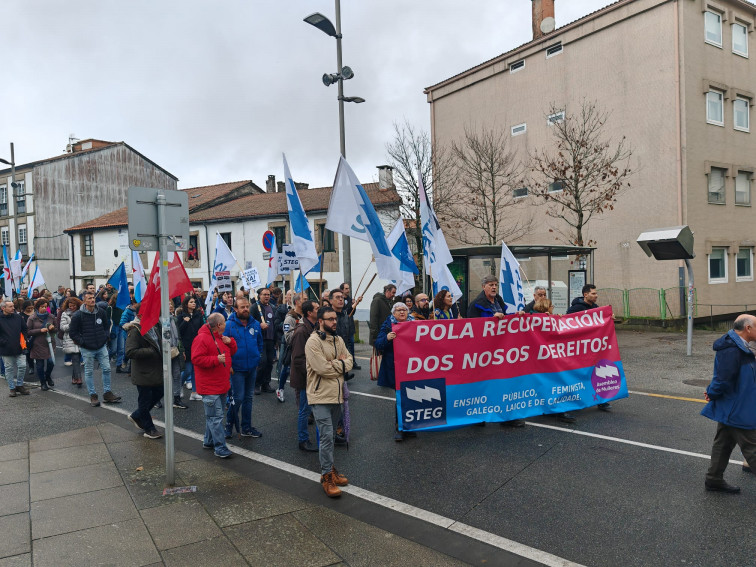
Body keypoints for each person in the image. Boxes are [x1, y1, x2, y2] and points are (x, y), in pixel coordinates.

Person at [701, 314, 756, 494]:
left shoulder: (742, 346)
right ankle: (714, 479)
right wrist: (711, 392)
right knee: (753, 448)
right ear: (748, 329)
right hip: (737, 409)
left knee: (723, 443)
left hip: (734, 406)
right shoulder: (732, 349)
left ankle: (714, 479)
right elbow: (723, 379)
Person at [305, 306, 353, 497]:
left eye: (335, 319)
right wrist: (340, 364)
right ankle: (326, 477)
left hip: (337, 394)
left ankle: (330, 467)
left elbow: (349, 360)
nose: (335, 322)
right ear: (320, 321)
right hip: (320, 396)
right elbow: (322, 369)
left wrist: (339, 364)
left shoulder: (338, 340)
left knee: (331, 436)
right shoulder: (313, 342)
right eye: (330, 319)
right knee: (325, 437)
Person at [467, 275, 524, 427]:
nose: (494, 287)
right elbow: (473, 328)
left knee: (503, 383)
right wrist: (491, 319)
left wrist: (516, 316)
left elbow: (504, 319)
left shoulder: (498, 300)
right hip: (484, 352)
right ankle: (478, 416)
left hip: (500, 350)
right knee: (483, 385)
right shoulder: (476, 305)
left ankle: (506, 417)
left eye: (495, 285)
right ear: (483, 287)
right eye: (491, 285)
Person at [192, 313, 237, 458]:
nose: (226, 324)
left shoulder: (220, 337)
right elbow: (197, 359)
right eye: (224, 322)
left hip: (221, 383)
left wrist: (231, 342)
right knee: (215, 418)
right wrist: (215, 359)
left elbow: (231, 353)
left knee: (213, 417)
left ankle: (209, 441)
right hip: (210, 386)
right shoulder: (201, 338)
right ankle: (220, 447)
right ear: (219, 325)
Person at [69, 291, 122, 407]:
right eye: (89, 298)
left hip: (101, 346)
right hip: (87, 348)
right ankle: (93, 395)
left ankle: (107, 393)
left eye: (93, 298)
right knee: (89, 371)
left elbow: (106, 326)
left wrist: (105, 337)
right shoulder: (78, 315)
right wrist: (83, 342)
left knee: (107, 369)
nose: (92, 300)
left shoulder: (101, 312)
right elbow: (73, 333)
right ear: (84, 301)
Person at [375, 302, 416, 441]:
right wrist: (387, 338)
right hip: (396, 367)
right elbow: (378, 343)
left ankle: (409, 426)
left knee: (411, 397)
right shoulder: (388, 325)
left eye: (404, 310)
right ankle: (400, 427)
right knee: (400, 397)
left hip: (412, 367)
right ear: (393, 313)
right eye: (398, 310)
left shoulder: (415, 324)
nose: (402, 312)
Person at [566, 284, 611, 411]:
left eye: (596, 293)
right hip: (579, 349)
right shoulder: (575, 309)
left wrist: (609, 318)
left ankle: (601, 400)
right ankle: (572, 401)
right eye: (593, 293)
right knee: (577, 375)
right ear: (585, 295)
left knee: (596, 373)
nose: (596, 296)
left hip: (592, 349)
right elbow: (567, 325)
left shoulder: (596, 308)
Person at [224, 296, 264, 439]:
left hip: (252, 367)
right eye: (242, 307)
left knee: (248, 398)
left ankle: (246, 427)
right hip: (236, 369)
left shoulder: (255, 324)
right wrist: (228, 365)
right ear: (235, 309)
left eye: (247, 306)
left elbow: (260, 342)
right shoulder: (228, 325)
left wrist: (258, 355)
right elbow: (224, 347)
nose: (246, 309)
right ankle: (229, 424)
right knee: (238, 398)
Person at [124, 307, 164, 439]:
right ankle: (149, 428)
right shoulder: (135, 330)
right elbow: (130, 352)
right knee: (145, 399)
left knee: (159, 392)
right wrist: (151, 351)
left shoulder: (154, 326)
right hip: (143, 372)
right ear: (141, 315)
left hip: (155, 370)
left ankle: (136, 415)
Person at [291, 300, 318, 452]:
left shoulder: (313, 328)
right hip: (305, 378)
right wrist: (311, 375)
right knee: (304, 410)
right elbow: (298, 359)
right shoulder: (302, 331)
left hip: (312, 376)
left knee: (311, 408)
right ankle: (303, 440)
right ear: (309, 313)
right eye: (317, 308)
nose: (319, 310)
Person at [177, 296, 205, 401]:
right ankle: (178, 386)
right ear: (186, 304)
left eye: (194, 302)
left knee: (195, 370)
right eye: (191, 302)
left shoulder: (198, 315)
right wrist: (185, 322)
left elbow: (202, 329)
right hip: (186, 346)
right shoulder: (181, 316)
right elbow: (179, 331)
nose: (194, 303)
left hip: (197, 346)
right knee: (187, 370)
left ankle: (194, 392)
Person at [26, 298, 57, 391]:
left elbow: (56, 329)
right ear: (37, 307)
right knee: (40, 365)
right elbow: (28, 331)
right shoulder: (32, 318)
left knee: (51, 362)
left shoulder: (51, 316)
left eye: (45, 307)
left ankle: (47, 376)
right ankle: (43, 382)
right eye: (42, 307)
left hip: (49, 343)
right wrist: (40, 330)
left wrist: (53, 328)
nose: (44, 308)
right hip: (37, 344)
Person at [0, 300, 29, 396]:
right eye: (10, 306)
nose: (13, 308)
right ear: (3, 308)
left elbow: (24, 328)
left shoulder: (18, 317)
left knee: (22, 366)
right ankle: (12, 388)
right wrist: (4, 342)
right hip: (6, 349)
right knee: (9, 369)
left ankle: (20, 385)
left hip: (20, 347)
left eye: (13, 306)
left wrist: (24, 339)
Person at [277, 293, 302, 402]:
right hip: (291, 347)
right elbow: (287, 335)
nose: (307, 301)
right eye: (304, 299)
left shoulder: (307, 315)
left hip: (303, 348)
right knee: (287, 369)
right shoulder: (290, 317)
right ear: (297, 302)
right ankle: (280, 389)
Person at [251, 287, 276, 394]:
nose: (267, 296)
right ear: (259, 295)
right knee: (262, 362)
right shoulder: (255, 307)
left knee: (270, 362)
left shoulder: (273, 307)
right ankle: (256, 384)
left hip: (271, 339)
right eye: (264, 294)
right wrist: (259, 324)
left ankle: (266, 384)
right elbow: (250, 322)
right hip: (260, 340)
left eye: (268, 294)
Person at [329, 288, 355, 380]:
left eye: (342, 297)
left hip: (343, 351)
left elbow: (346, 335)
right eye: (337, 297)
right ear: (331, 301)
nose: (341, 299)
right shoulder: (327, 317)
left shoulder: (345, 315)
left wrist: (346, 351)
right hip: (332, 355)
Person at [59, 297, 83, 385]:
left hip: (80, 337)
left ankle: (74, 377)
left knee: (77, 358)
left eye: (74, 306)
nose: (72, 307)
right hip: (70, 338)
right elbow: (62, 327)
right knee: (75, 358)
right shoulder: (65, 314)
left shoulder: (81, 313)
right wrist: (72, 323)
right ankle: (79, 378)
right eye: (70, 306)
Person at [339, 282, 363, 369]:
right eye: (346, 288)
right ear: (342, 290)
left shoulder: (350, 299)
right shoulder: (340, 300)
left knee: (351, 344)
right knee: (343, 345)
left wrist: (355, 304)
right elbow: (346, 311)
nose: (348, 290)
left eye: (348, 288)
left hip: (350, 325)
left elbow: (352, 313)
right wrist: (355, 303)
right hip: (342, 327)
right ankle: (344, 363)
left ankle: (353, 362)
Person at [117, 298, 138, 374]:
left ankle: (131, 369)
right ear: (134, 304)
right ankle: (124, 361)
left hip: (137, 334)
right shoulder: (127, 312)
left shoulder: (139, 311)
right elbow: (122, 323)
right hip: (128, 334)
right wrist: (131, 326)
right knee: (128, 352)